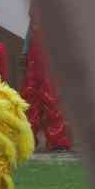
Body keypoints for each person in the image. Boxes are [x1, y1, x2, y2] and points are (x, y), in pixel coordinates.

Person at [21, 8, 72, 152]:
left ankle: (58, 142)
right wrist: (25, 52)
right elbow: (31, 28)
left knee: (52, 101)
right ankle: (28, 140)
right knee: (30, 100)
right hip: (33, 61)